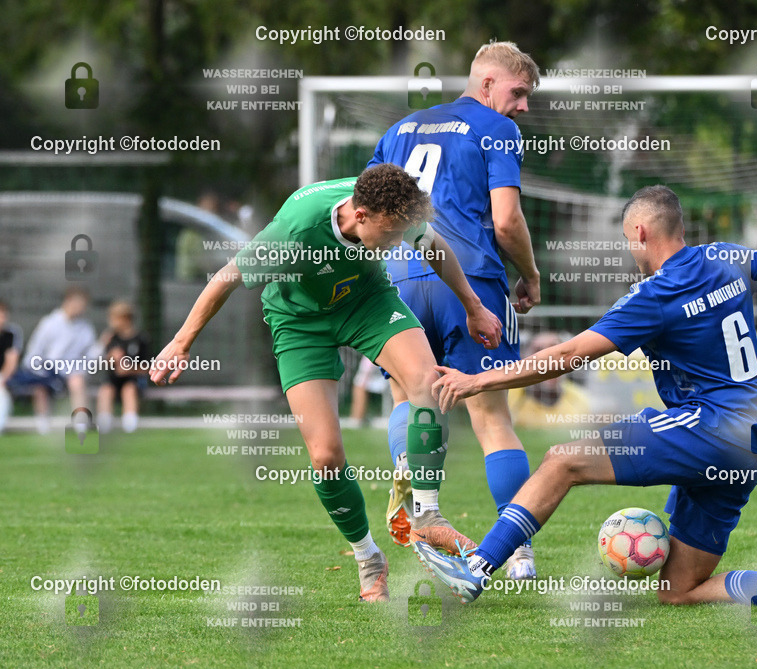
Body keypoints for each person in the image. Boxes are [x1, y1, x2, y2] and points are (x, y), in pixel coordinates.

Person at [419, 184, 757, 608]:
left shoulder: (655, 295)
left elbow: (568, 356)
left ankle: (477, 569)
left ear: (639, 234)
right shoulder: (727, 257)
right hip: (750, 442)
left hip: (708, 428)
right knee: (678, 589)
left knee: (563, 460)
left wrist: (477, 380)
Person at [148, 164, 501, 603]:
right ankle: (369, 558)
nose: (396, 244)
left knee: (428, 383)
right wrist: (181, 343)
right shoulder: (296, 230)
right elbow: (226, 278)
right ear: (362, 215)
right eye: (390, 235)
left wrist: (473, 306)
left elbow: (433, 246)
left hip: (366, 302)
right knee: (326, 457)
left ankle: (427, 515)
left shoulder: (393, 209)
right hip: (300, 323)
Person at [368, 40, 543, 579]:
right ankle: (515, 552)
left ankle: (420, 502)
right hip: (467, 278)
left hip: (397, 276)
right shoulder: (497, 129)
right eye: (519, 93)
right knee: (490, 416)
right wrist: (531, 275)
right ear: (487, 84)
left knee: (409, 397)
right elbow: (507, 220)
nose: (523, 107)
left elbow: (366, 208)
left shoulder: (400, 130)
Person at [7, 288, 95, 434]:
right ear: (69, 301)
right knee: (40, 387)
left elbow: (91, 354)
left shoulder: (85, 328)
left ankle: (81, 424)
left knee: (77, 381)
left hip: (72, 370)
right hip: (47, 369)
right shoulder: (49, 323)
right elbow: (35, 351)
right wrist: (37, 371)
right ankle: (43, 425)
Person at [507, 332, 590, 429]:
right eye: (538, 350)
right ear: (524, 358)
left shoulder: (579, 399)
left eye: (555, 350)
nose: (547, 359)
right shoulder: (508, 397)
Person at [96, 301, 150, 434]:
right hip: (114, 380)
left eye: (114, 319)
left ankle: (130, 425)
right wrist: (110, 357)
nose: (111, 323)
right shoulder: (111, 338)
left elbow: (147, 366)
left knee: (129, 389)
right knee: (106, 390)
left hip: (134, 379)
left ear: (126, 319)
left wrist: (130, 369)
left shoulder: (141, 339)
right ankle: (104, 424)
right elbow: (101, 363)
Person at [0, 300, 24, 434]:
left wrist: (2, 379)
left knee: (1, 394)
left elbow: (11, 361)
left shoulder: (12, 333)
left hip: (4, 376)